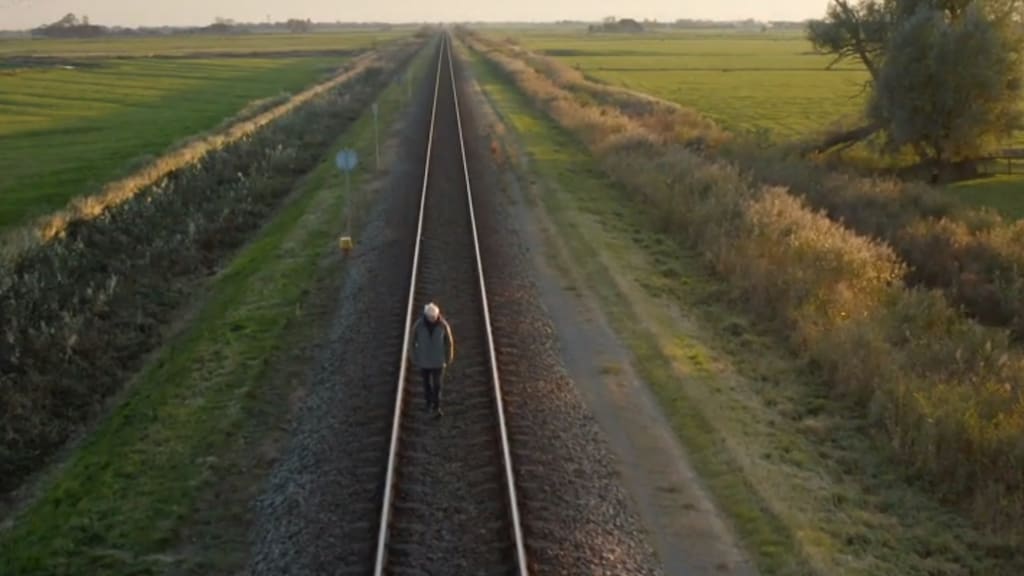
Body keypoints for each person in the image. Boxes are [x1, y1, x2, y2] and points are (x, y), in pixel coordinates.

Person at [410, 302, 455, 417]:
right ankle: (428, 404)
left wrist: (449, 356)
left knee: (437, 385)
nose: (432, 319)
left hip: (438, 362)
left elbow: (449, 342)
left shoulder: (443, 325)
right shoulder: (418, 325)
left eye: (434, 317)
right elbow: (411, 342)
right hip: (424, 361)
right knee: (426, 385)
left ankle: (436, 406)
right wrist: (413, 356)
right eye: (430, 317)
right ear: (426, 315)